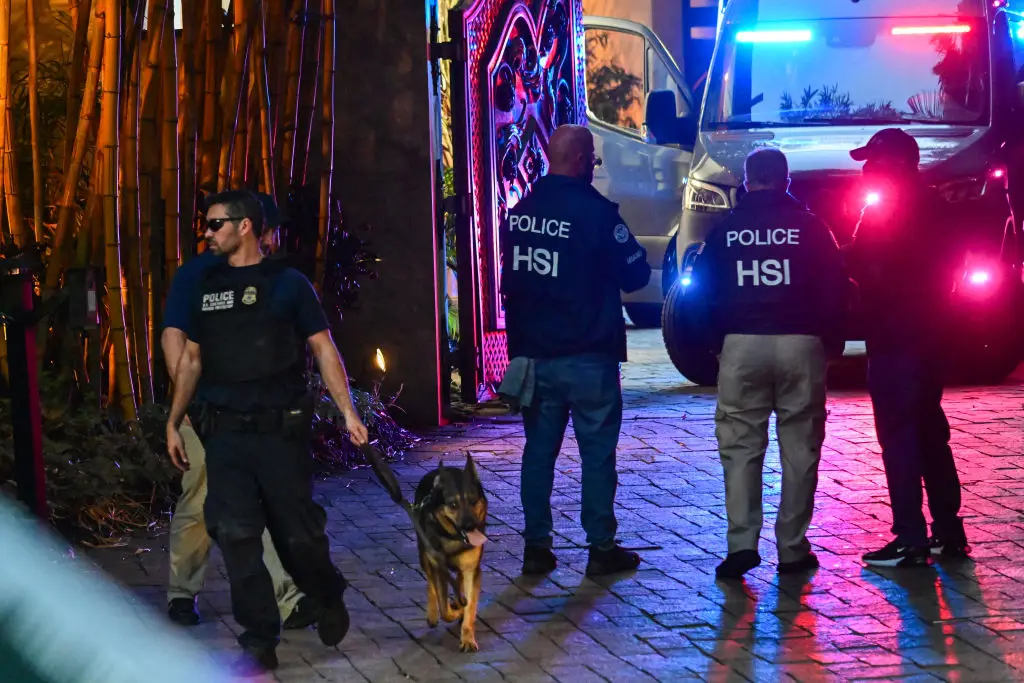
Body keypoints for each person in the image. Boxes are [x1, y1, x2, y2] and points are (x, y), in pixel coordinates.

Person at [165, 189, 369, 674]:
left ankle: (325, 592)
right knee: (235, 532)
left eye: (216, 224)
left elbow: (323, 349)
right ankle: (259, 636)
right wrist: (173, 419)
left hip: (279, 435)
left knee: (297, 537)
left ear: (245, 227)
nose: (207, 232)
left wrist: (348, 412)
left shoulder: (288, 284)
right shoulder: (204, 284)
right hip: (225, 434)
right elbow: (191, 358)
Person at [497, 124, 651, 577]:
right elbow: (636, 275)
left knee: (538, 454)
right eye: (594, 161)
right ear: (582, 160)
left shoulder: (520, 212)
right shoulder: (597, 213)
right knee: (597, 455)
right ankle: (601, 548)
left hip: (534, 357)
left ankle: (536, 548)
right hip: (589, 356)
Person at [689, 147, 847, 580]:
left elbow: (701, 291)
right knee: (801, 449)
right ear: (786, 180)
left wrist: (716, 344)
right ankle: (792, 548)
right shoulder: (812, 227)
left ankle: (741, 545)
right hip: (801, 343)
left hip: (741, 344)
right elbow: (836, 290)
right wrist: (830, 343)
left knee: (740, 447)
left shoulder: (726, 229)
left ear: (747, 181)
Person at [161, 193, 315, 630]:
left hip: (254, 414)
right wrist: (185, 406)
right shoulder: (199, 275)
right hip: (208, 410)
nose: (208, 233)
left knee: (259, 500)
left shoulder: (272, 279)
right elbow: (174, 336)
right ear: (256, 228)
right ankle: (181, 592)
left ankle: (288, 598)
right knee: (199, 499)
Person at [844, 128, 969, 568]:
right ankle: (948, 530)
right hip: (933, 335)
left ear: (892, 165)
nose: (866, 170)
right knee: (931, 431)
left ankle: (910, 538)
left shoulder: (884, 211)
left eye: (872, 162)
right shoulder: (937, 205)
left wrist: (844, 260)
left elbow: (868, 268)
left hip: (894, 338)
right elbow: (956, 263)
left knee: (898, 437)